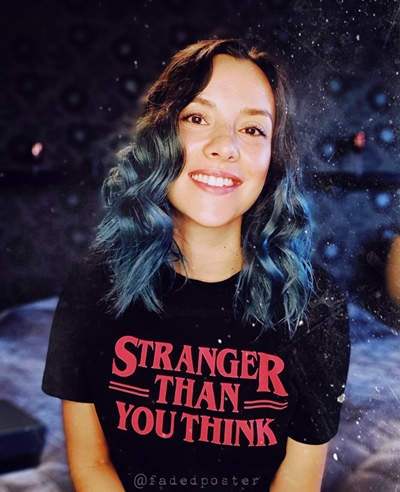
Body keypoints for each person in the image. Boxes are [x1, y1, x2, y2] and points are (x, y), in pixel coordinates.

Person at [42, 39, 350, 491]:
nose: (225, 146)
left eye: (252, 129)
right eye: (197, 118)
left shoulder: (315, 305)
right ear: (161, 136)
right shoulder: (93, 285)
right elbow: (91, 464)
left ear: (273, 158)